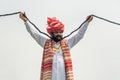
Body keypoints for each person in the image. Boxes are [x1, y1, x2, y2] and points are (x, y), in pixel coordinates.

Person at [19, 12, 93, 80]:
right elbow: (34, 34)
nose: (59, 34)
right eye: (56, 32)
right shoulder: (45, 42)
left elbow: (79, 35)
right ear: (51, 33)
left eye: (60, 32)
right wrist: (26, 21)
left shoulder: (67, 43)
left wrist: (87, 22)